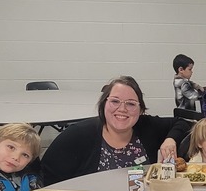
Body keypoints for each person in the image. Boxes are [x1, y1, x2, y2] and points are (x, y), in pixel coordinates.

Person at [42, 76, 186, 184]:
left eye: (130, 104)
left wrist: (170, 139)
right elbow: (48, 174)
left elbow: (183, 123)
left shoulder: (146, 126)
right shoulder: (78, 136)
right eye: (115, 101)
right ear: (104, 104)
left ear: (140, 110)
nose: (122, 109)